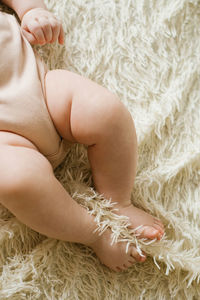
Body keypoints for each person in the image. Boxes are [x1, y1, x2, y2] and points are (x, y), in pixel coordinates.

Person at [0, 0, 164, 272]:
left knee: (105, 111)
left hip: (39, 87)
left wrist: (31, 11)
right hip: (6, 141)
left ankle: (118, 201)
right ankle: (96, 234)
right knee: (16, 181)